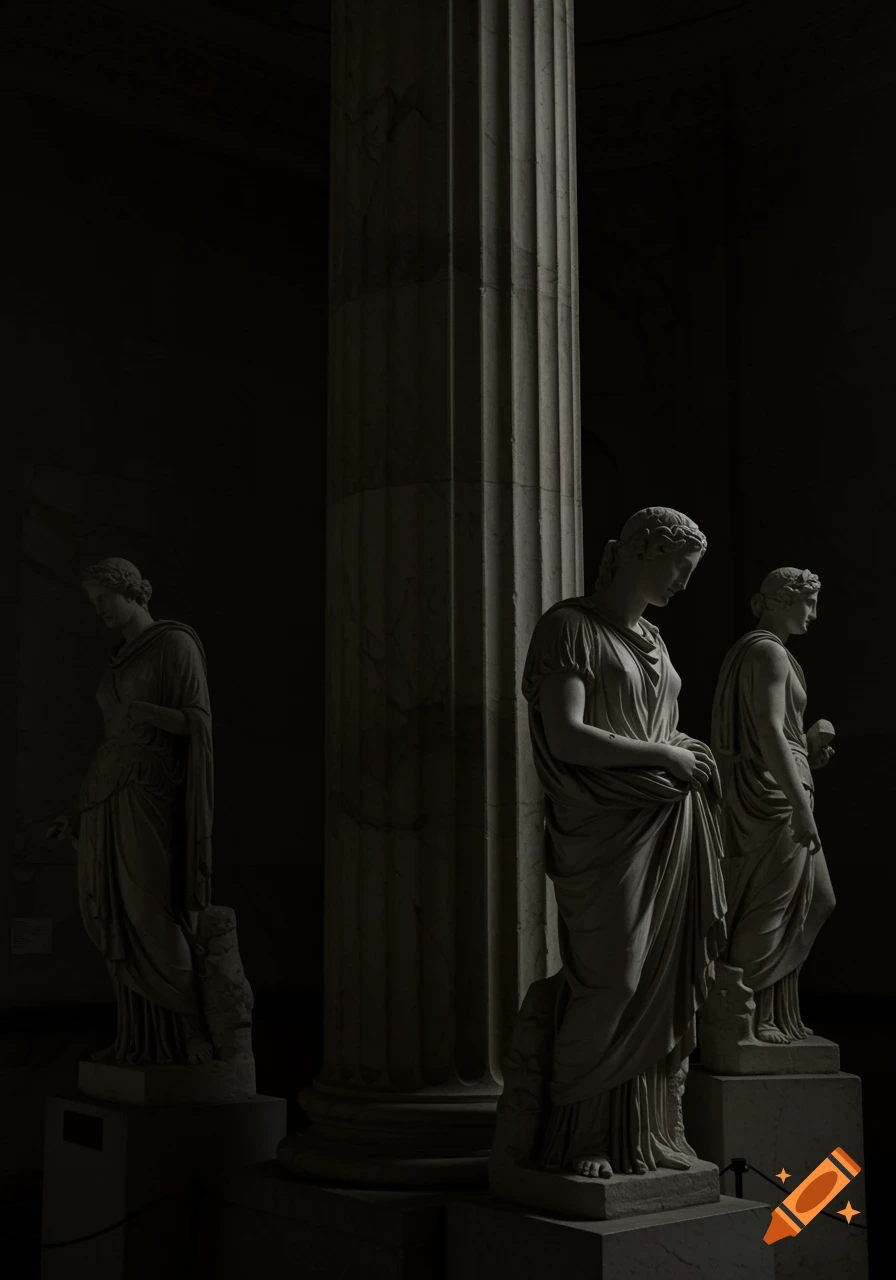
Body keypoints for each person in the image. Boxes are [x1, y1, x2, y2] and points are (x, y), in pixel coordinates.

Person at [522, 507, 727, 1179]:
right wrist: (665, 757)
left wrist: (685, 748)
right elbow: (566, 736)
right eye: (680, 567)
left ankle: (645, 1132)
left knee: (660, 986)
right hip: (604, 830)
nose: (684, 583)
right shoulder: (569, 628)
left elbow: (658, 727)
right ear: (643, 550)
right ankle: (577, 1130)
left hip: (666, 825)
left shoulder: (655, 640)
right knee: (615, 979)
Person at [47, 556, 216, 1066]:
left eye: (104, 597)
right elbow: (111, 739)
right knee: (112, 911)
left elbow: (198, 723)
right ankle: (138, 1040)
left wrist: (151, 713)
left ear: (132, 592)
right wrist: (79, 815)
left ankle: (192, 1030)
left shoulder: (174, 643)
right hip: (106, 791)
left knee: (147, 909)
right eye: (93, 601)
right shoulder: (117, 660)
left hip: (149, 789)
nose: (99, 608)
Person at [711, 567, 836, 1044]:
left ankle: (770, 1011)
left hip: (785, 786)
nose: (813, 614)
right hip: (776, 798)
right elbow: (765, 730)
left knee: (814, 901)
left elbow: (777, 732)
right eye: (808, 603)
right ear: (782, 600)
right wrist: (800, 807)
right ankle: (744, 1014)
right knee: (770, 906)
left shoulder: (767, 651)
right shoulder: (768, 651)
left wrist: (807, 748)